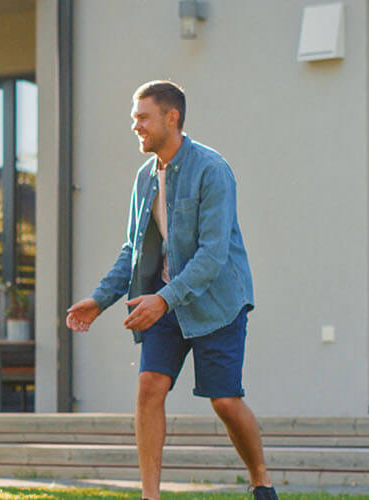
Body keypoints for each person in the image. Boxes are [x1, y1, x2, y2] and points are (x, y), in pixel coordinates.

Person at [65, 80, 275, 500]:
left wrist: (163, 299)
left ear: (171, 117)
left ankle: (261, 481)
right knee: (149, 386)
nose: (135, 126)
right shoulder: (145, 178)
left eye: (143, 117)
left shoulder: (212, 170)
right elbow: (133, 249)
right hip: (164, 301)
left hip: (217, 301)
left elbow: (213, 255)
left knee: (225, 401)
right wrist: (99, 300)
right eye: (134, 118)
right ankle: (150, 496)